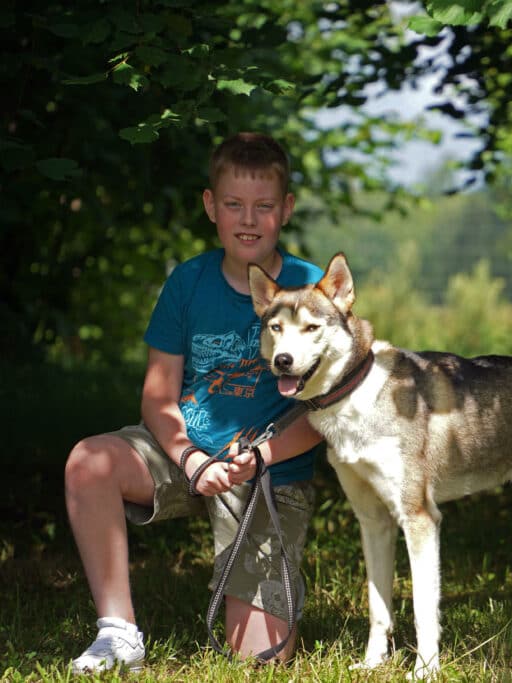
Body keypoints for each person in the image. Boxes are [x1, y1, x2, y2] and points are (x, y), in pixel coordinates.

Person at [64, 132, 325, 674]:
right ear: (211, 206)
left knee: (257, 659)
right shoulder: (188, 281)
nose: (247, 219)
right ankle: (118, 633)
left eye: (263, 206)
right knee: (89, 462)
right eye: (233, 205)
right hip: (186, 454)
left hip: (268, 474)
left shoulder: (311, 288)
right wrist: (189, 457)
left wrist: (258, 459)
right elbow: (159, 396)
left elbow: (329, 414)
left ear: (286, 210)